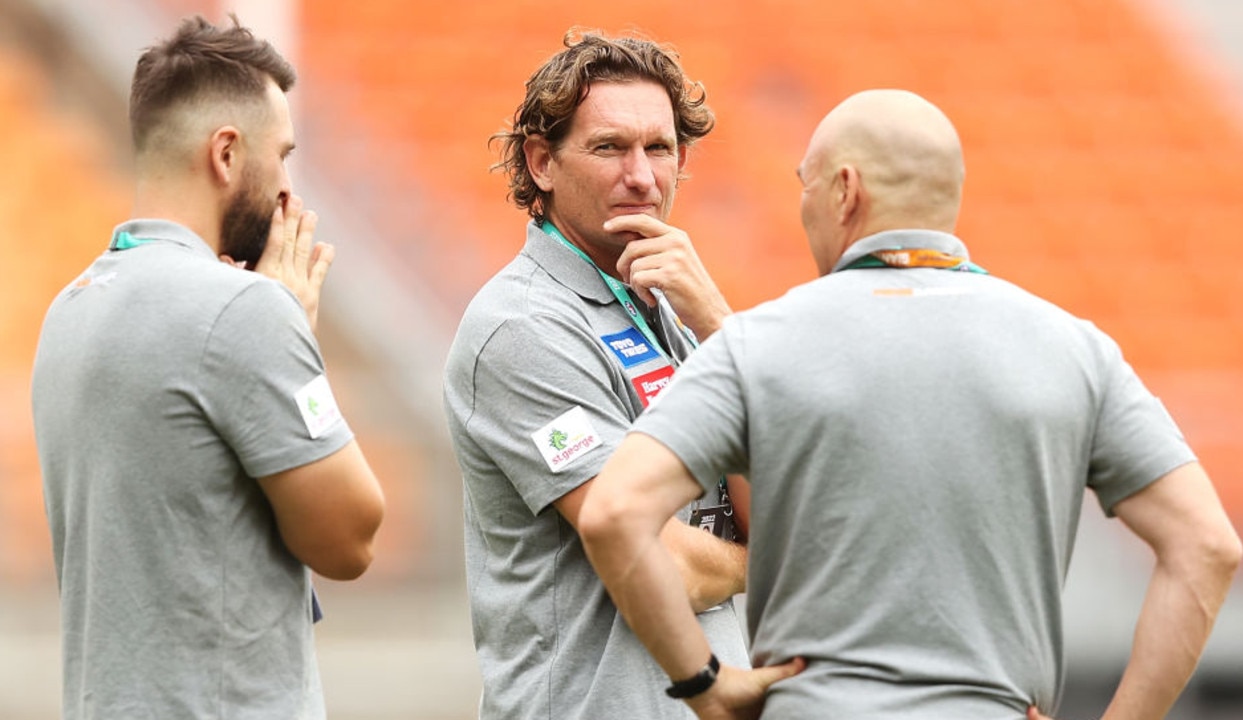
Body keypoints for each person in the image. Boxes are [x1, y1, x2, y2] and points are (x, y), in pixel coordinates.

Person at [579, 88, 1243, 720]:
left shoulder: (760, 343)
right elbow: (1207, 546)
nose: (803, 207)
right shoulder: (1075, 349)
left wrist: (706, 685)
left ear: (846, 191)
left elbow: (613, 514)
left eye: (805, 186)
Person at [31, 15, 385, 718]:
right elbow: (352, 538)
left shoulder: (67, 311)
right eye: (280, 155)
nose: (288, 188)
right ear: (226, 153)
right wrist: (292, 336)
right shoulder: (246, 312)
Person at [443, 30, 751, 719]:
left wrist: (720, 327)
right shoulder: (520, 329)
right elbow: (656, 559)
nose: (641, 176)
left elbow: (782, 504)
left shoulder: (671, 306)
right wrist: (767, 568)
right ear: (542, 163)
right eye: (610, 148)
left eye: (660, 148)